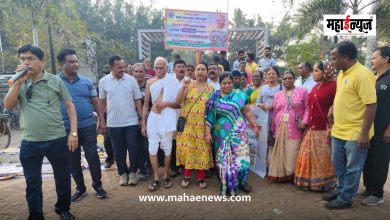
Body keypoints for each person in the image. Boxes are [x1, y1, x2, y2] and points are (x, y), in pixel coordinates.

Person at [4, 44, 78, 220]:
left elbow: (69, 105)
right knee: (33, 183)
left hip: (57, 140)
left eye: (30, 58)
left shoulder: (55, 81)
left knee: (62, 178)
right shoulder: (18, 82)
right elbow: (8, 105)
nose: (26, 62)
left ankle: (63, 209)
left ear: (42, 61)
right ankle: (35, 214)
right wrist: (18, 83)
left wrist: (73, 133)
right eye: (23, 59)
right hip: (30, 141)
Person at [323, 41, 377, 210]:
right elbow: (342, 94)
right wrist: (332, 107)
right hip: (339, 129)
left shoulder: (363, 74)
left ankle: (346, 198)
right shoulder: (342, 73)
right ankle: (341, 190)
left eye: (334, 58)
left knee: (353, 168)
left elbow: (371, 105)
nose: (332, 62)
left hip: (356, 131)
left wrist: (364, 133)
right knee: (338, 163)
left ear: (345, 58)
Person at [57, 48, 107, 202]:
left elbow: (96, 102)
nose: (75, 64)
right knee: (73, 160)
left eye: (76, 61)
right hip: (66, 128)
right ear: (62, 64)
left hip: (87, 126)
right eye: (71, 62)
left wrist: (102, 121)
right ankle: (80, 188)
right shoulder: (55, 82)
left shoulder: (86, 82)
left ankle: (97, 185)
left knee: (93, 156)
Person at [206, 72, 260, 196]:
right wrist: (208, 133)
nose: (227, 85)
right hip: (220, 132)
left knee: (242, 157)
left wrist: (255, 125)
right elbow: (208, 116)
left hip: (238, 131)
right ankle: (226, 182)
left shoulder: (240, 95)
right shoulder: (214, 97)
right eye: (224, 83)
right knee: (223, 158)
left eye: (229, 83)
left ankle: (243, 182)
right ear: (220, 84)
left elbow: (247, 112)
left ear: (233, 83)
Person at [99, 55, 143, 187]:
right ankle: (123, 174)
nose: (122, 69)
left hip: (131, 121)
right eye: (119, 67)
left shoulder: (131, 80)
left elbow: (137, 100)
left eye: (123, 67)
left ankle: (133, 173)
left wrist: (142, 119)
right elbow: (101, 102)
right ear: (111, 67)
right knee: (118, 151)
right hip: (113, 122)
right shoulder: (103, 81)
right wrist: (101, 121)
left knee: (133, 147)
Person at [294, 61, 337, 191]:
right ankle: (308, 182)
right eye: (313, 71)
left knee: (323, 159)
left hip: (325, 129)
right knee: (308, 156)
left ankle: (324, 184)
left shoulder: (335, 86)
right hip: (311, 129)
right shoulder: (315, 87)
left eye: (316, 71)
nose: (313, 73)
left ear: (326, 72)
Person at [141, 57, 181, 191]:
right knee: (152, 148)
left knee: (167, 148)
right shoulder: (150, 82)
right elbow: (146, 104)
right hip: (153, 118)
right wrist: (143, 123)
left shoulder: (173, 81)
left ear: (166, 68)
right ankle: (156, 177)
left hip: (168, 117)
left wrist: (165, 104)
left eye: (161, 67)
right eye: (156, 67)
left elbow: (178, 103)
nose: (158, 70)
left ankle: (166, 176)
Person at [359, 46, 390, 206]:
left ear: (386, 59)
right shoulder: (373, 77)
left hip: (384, 129)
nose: (371, 60)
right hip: (369, 127)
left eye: (375, 57)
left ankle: (377, 194)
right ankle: (369, 188)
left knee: (380, 160)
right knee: (369, 159)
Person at [176, 62, 214, 189]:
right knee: (188, 149)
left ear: (207, 72)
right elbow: (178, 101)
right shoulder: (187, 85)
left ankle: (200, 177)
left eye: (203, 69)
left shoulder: (211, 89)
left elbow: (212, 109)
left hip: (203, 125)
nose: (200, 72)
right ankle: (186, 176)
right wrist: (183, 88)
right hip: (188, 124)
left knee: (202, 150)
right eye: (198, 69)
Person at [268, 71, 309, 182]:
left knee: (292, 152)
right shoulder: (278, 94)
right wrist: (273, 128)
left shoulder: (302, 91)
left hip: (295, 127)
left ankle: (291, 174)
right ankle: (281, 175)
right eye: (285, 78)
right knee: (281, 152)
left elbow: (307, 108)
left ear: (294, 79)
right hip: (280, 126)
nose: (287, 80)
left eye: (290, 78)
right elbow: (276, 112)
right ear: (282, 80)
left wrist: (304, 122)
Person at [133, 63, 152, 181]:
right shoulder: (130, 85)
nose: (138, 74)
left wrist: (143, 119)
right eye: (136, 71)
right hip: (131, 120)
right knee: (136, 146)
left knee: (147, 146)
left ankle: (148, 166)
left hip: (148, 120)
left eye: (141, 71)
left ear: (145, 73)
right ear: (133, 72)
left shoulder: (149, 85)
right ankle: (142, 169)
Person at [256, 67, 282, 144]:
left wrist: (274, 106)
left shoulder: (281, 87)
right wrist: (261, 105)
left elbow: (284, 102)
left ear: (277, 75)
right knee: (264, 140)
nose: (271, 75)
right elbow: (257, 103)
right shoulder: (262, 88)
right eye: (269, 74)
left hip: (276, 116)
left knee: (276, 139)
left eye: (273, 74)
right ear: (266, 76)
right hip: (264, 117)